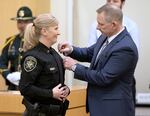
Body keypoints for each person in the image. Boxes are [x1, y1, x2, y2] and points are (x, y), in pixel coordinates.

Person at [58, 4, 138, 116]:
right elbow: (90, 53)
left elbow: (103, 77)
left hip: (113, 109)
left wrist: (74, 67)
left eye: (101, 24)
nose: (97, 27)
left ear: (114, 24)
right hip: (100, 104)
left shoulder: (125, 48)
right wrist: (71, 49)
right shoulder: (106, 36)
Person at [88, 0, 139, 105]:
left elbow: (129, 56)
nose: (111, 3)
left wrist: (74, 67)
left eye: (115, 0)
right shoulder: (101, 29)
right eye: (108, 0)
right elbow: (91, 51)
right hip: (97, 83)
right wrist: (71, 50)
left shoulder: (131, 27)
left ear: (122, 3)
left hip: (116, 86)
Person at [19, 13, 70, 116]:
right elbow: (25, 87)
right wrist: (51, 94)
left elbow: (52, 83)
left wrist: (65, 89)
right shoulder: (33, 57)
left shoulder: (54, 54)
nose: (58, 32)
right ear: (44, 31)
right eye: (56, 29)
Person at [0, 6, 35, 90]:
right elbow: (1, 62)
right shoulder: (10, 41)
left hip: (33, 88)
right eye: (19, 22)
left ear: (32, 22)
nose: (22, 25)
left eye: (25, 22)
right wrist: (8, 75)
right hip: (13, 87)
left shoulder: (37, 41)